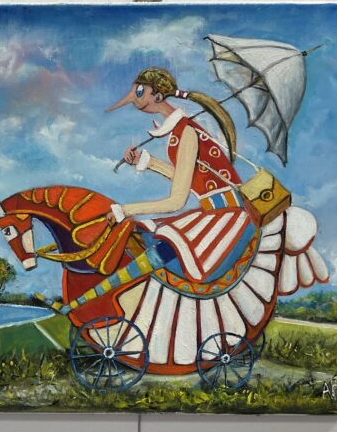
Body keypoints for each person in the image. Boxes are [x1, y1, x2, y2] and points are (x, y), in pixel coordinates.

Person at [77, 67, 256, 297]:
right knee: (151, 241)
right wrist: (147, 162)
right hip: (215, 211)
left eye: (139, 92)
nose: (133, 98)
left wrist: (125, 210)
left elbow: (176, 201)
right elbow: (191, 179)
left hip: (225, 217)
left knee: (162, 249)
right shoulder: (181, 131)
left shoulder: (186, 133)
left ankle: (89, 299)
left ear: (158, 96)